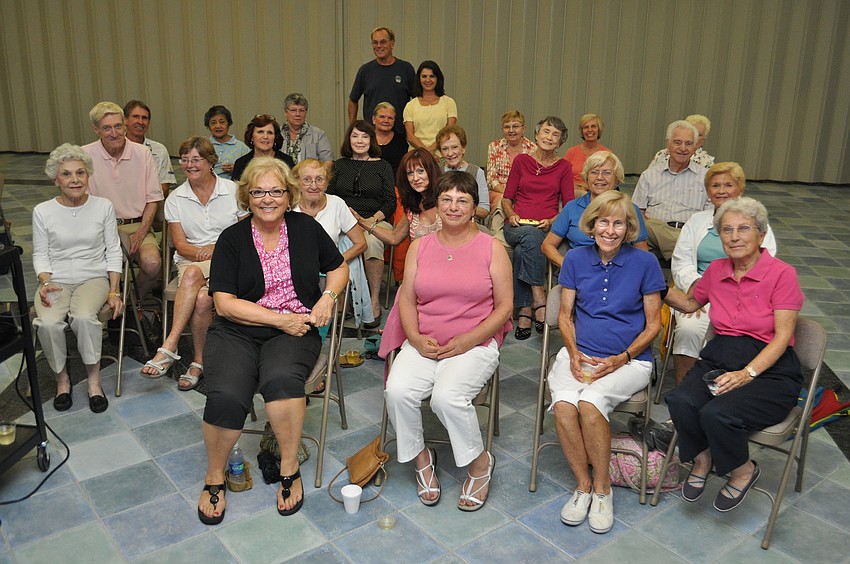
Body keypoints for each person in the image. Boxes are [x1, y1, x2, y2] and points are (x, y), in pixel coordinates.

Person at [197, 157, 348, 525]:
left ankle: (288, 464)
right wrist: (279, 320)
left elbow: (339, 266)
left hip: (296, 331)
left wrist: (327, 298)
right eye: (259, 192)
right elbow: (224, 304)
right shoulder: (232, 239)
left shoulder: (305, 228)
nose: (268, 199)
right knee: (227, 395)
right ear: (247, 196)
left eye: (276, 191)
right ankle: (215, 475)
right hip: (239, 330)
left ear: (289, 194)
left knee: (281, 381)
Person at [664, 197, 803, 512]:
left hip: (771, 368)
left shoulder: (782, 274)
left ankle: (743, 470)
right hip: (720, 356)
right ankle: (703, 459)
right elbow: (689, 304)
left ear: (760, 234)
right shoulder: (716, 270)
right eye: (727, 230)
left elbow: (782, 338)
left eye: (743, 229)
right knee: (680, 400)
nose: (735, 236)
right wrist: (653, 285)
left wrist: (746, 374)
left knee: (717, 414)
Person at [384, 171, 513, 511]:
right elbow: (407, 300)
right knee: (397, 392)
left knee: (446, 397)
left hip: (474, 342)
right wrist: (414, 337)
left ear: (474, 208)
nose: (453, 207)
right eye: (446, 199)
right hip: (424, 340)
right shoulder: (420, 246)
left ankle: (479, 463)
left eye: (462, 200)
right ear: (436, 204)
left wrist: (468, 340)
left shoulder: (492, 248)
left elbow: (505, 307)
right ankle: (422, 458)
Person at [548, 190, 665, 533]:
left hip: (630, 361)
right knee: (565, 404)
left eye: (618, 223)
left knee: (591, 402)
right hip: (579, 354)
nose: (609, 230)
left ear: (629, 228)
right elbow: (566, 316)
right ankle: (582, 485)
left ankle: (603, 490)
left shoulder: (645, 263)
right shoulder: (575, 259)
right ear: (591, 224)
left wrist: (622, 358)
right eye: (603, 222)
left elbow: (654, 324)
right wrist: (572, 353)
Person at [140, 137, 248, 390]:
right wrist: (203, 252)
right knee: (200, 297)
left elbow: (245, 234)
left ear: (211, 162)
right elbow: (181, 245)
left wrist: (217, 249)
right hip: (191, 260)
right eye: (185, 160)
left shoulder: (232, 191)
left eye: (196, 159)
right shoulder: (176, 198)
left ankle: (169, 346)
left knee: (191, 278)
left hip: (230, 260)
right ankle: (198, 361)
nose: (189, 165)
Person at [33, 144, 123, 413]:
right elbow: (40, 253)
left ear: (88, 176)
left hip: (92, 278)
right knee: (47, 323)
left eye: (80, 173)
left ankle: (93, 381)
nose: (74, 180)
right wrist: (45, 281)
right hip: (56, 279)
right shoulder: (43, 211)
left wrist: (115, 290)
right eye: (67, 174)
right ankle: (63, 380)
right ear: (55, 179)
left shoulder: (103, 206)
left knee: (83, 317)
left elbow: (113, 250)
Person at [669, 162, 777, 385]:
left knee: (737, 333)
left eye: (728, 185)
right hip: (698, 292)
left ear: (741, 189)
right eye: (715, 185)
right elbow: (681, 262)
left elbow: (766, 268)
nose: (721, 190)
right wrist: (696, 290)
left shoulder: (757, 223)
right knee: (688, 329)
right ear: (708, 192)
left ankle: (726, 387)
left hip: (743, 298)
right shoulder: (696, 221)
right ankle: (683, 392)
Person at [502, 116, 574, 340]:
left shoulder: (564, 167)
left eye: (555, 134)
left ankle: (524, 309)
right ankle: (539, 298)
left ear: (561, 141)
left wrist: (553, 220)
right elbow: (506, 199)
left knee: (527, 247)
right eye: (545, 132)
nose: (549, 137)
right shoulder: (522, 161)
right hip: (516, 226)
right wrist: (511, 214)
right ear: (536, 135)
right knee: (529, 237)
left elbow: (569, 205)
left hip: (545, 227)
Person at [83, 101, 163, 301]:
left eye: (118, 126)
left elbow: (153, 199)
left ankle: (130, 304)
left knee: (152, 263)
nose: (114, 133)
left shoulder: (142, 153)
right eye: (106, 128)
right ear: (96, 130)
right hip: (99, 227)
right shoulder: (84, 155)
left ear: (125, 125)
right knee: (94, 267)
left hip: (137, 225)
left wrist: (140, 234)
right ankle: (104, 304)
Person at [327, 121, 395, 327]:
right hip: (343, 222)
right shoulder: (339, 165)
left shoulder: (383, 166)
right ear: (349, 139)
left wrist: (370, 221)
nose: (359, 141)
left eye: (365, 136)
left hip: (375, 220)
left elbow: (390, 200)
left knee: (372, 243)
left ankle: (372, 300)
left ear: (371, 140)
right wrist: (345, 217)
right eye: (355, 136)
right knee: (333, 243)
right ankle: (342, 300)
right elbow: (329, 195)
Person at [292, 158, 370, 326]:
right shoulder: (288, 206)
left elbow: (361, 243)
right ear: (296, 182)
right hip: (294, 269)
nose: (314, 185)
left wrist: (336, 261)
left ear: (327, 184)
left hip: (326, 270)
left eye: (319, 179)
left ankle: (321, 324)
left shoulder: (336, 204)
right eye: (307, 179)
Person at [542, 151, 648, 268]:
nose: (599, 178)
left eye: (606, 173)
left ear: (617, 178)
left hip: (619, 272)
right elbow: (547, 245)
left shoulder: (630, 209)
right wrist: (567, 265)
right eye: (594, 172)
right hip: (580, 271)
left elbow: (643, 252)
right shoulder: (572, 207)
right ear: (586, 178)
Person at [632, 120, 711, 261]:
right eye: (677, 142)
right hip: (654, 233)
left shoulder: (706, 177)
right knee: (642, 227)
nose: (683, 148)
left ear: (695, 148)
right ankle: (683, 255)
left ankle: (676, 257)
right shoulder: (649, 175)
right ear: (668, 145)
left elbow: (709, 216)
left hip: (689, 232)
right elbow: (637, 213)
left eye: (688, 143)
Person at [348, 26, 416, 137]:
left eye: (383, 42)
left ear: (392, 44)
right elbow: (353, 100)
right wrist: (353, 128)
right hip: (372, 136)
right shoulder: (365, 70)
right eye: (375, 43)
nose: (379, 46)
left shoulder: (406, 69)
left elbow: (417, 101)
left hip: (400, 136)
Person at [486, 110, 537, 232]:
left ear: (523, 128)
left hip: (523, 193)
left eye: (515, 126)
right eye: (507, 127)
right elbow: (491, 179)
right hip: (499, 191)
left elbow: (533, 179)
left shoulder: (533, 149)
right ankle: (495, 235)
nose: (511, 130)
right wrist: (508, 194)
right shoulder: (494, 147)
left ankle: (518, 232)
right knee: (502, 201)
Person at [437, 124, 490, 220]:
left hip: (469, 225)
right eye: (445, 149)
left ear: (463, 148)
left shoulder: (476, 172)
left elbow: (484, 210)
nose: (450, 153)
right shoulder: (435, 171)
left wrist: (463, 208)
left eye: (454, 147)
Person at [123, 100, 176, 195]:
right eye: (136, 117)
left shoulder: (159, 150)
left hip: (153, 205)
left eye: (145, 118)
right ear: (125, 120)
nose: (140, 122)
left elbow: (164, 188)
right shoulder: (116, 148)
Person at [403, 61, 457, 153]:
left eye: (432, 76)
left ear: (438, 79)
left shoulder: (449, 102)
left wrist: (431, 150)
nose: (428, 80)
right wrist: (427, 154)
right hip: (417, 156)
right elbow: (410, 137)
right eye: (424, 76)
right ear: (419, 79)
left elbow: (449, 131)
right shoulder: (410, 105)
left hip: (443, 155)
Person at [230, 114, 295, 182]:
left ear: (275, 137)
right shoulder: (241, 163)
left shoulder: (286, 161)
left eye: (270, 133)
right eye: (260, 132)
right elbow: (237, 190)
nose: (265, 137)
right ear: (251, 137)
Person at [281, 93, 333, 166]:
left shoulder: (318, 134)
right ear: (286, 112)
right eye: (293, 110)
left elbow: (327, 162)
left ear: (306, 112)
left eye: (301, 110)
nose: (298, 114)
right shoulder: (276, 132)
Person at [563, 113, 610, 193]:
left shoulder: (607, 154)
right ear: (582, 131)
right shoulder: (571, 152)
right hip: (574, 192)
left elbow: (609, 179)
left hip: (598, 192)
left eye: (593, 126)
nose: (590, 130)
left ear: (599, 130)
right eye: (586, 127)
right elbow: (562, 176)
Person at [649, 114, 714, 170]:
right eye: (691, 132)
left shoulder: (707, 162)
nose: (694, 136)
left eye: (699, 134)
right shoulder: (661, 154)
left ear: (704, 138)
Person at [205, 105, 250, 179]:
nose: (218, 126)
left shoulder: (241, 147)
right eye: (213, 123)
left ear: (228, 124)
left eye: (222, 122)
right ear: (208, 126)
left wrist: (237, 169)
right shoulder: (204, 146)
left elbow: (251, 171)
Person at [373, 102, 408, 174]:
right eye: (382, 117)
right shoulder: (366, 140)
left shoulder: (401, 140)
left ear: (394, 121)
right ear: (374, 119)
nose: (386, 121)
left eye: (390, 118)